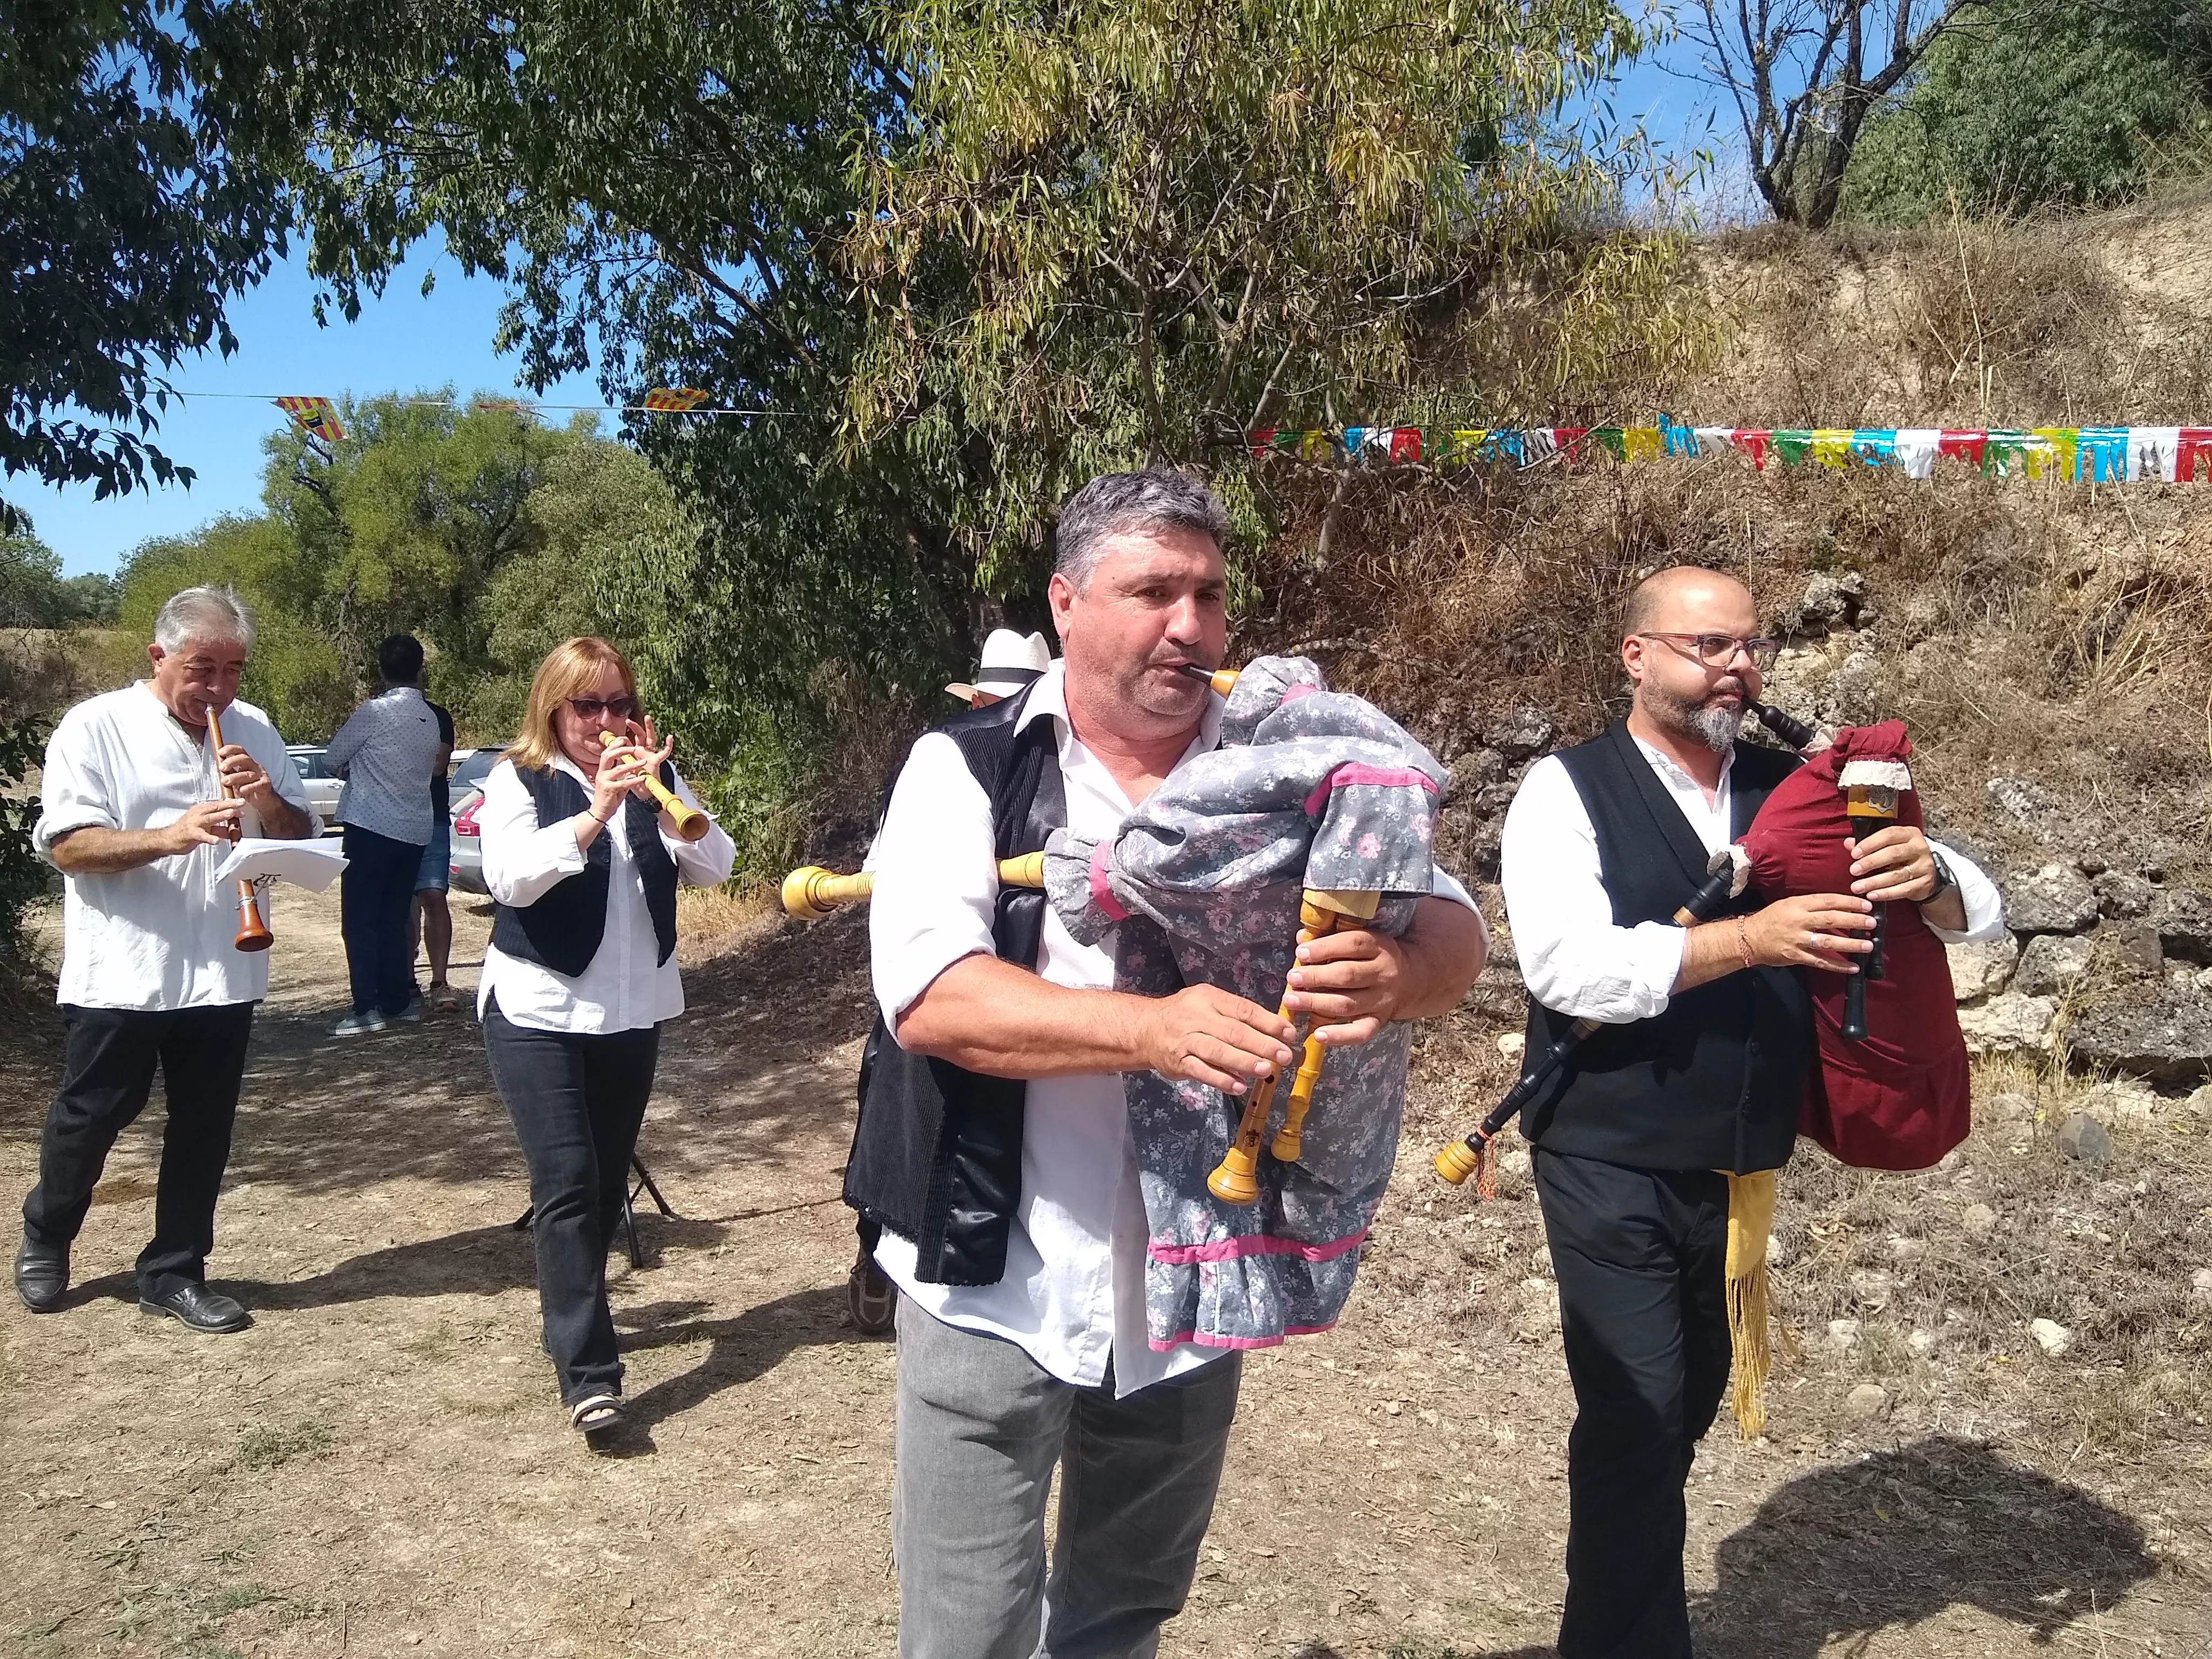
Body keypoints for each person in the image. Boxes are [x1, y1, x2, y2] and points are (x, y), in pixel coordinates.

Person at [859, 470, 1487, 1659]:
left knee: (1122, 1619)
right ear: (1065, 603)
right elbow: (936, 1002)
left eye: (1206, 594)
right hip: (993, 1280)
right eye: (1151, 590)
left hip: (1192, 1290)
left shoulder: (1295, 762)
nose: (1188, 626)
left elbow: (1453, 934)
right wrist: (1154, 1032)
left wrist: (1403, 978)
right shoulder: (968, 768)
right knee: (964, 1633)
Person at [1498, 565, 2005, 1659]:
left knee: (1685, 1399)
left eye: (1746, 645)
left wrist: (1933, 876)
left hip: (1737, 1160)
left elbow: (1976, 910)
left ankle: (1619, 1599)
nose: (1735, 665)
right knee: (1635, 1414)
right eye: (1705, 645)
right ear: (1635, 657)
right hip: (1604, 1149)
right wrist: (1750, 940)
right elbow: (1564, 967)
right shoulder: (1564, 789)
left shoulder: (1796, 786)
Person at [15, 586, 316, 1331]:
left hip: (224, 964)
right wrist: (172, 835)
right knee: (95, 1113)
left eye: (233, 670)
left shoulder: (255, 728)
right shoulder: (96, 727)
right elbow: (69, 845)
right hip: (126, 966)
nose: (217, 689)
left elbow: (301, 832)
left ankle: (175, 1269)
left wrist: (267, 799)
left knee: (204, 1124)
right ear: (158, 657)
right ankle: (48, 1232)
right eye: (200, 668)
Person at [474, 637, 733, 1438]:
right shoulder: (518, 778)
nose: (606, 720)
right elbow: (509, 880)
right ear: (553, 709)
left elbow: (718, 866)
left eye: (619, 702)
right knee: (568, 1182)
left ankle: (570, 1317)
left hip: (631, 1009)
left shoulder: (654, 775)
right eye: (588, 706)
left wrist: (659, 799)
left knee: (606, 1182)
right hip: (536, 1006)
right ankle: (591, 1375)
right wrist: (597, 814)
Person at [845, 624, 1059, 1338]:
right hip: (932, 958)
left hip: (1030, 983)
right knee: (898, 1106)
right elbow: (886, 868)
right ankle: (879, 1253)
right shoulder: (945, 760)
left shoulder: (1065, 764)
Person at [324, 634, 447, 1035]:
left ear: (381, 670)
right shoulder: (429, 719)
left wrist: (355, 769)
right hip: (413, 828)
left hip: (371, 824)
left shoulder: (374, 712)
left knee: (360, 919)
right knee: (395, 918)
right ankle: (398, 1001)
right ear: (419, 668)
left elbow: (331, 759)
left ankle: (366, 1007)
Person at [412, 691, 458, 1012]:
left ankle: (439, 982)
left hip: (433, 819)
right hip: (391, 821)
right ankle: (405, 980)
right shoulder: (377, 713)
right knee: (404, 900)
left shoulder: (438, 716)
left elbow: (438, 766)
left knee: (433, 895)